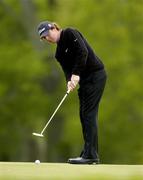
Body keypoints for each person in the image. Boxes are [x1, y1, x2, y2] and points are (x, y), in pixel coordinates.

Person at [37, 21, 107, 164]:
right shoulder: (58, 53)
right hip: (85, 81)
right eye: (44, 38)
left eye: (47, 34)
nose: (47, 39)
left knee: (88, 114)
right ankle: (88, 153)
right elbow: (67, 70)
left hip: (96, 75)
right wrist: (69, 80)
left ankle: (91, 156)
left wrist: (76, 74)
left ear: (54, 28)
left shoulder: (69, 33)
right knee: (83, 115)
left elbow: (83, 52)